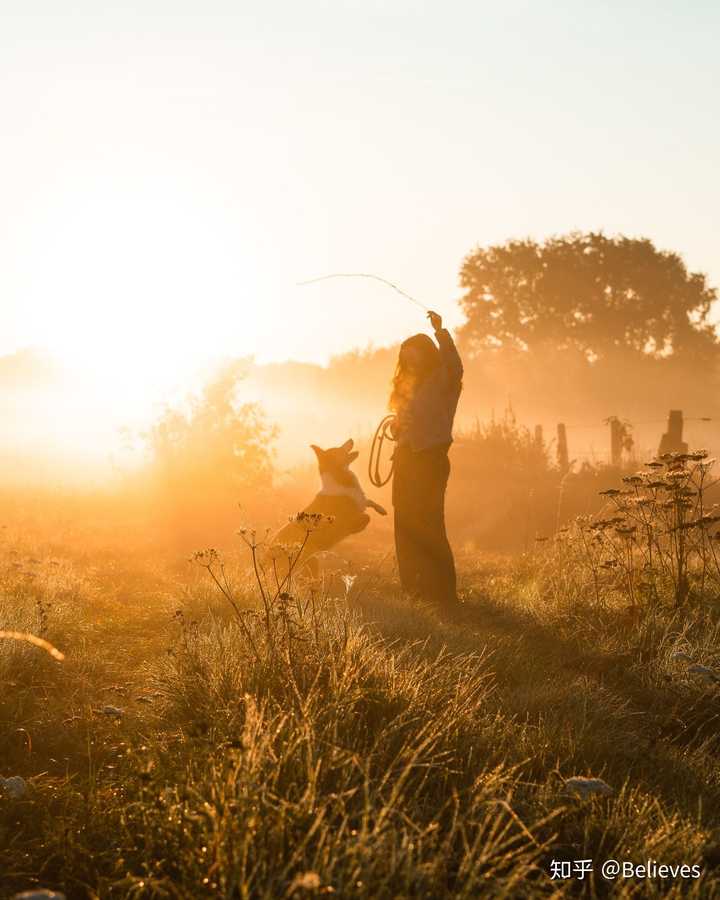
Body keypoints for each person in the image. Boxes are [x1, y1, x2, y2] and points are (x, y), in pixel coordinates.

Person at [389, 310, 463, 612]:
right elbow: (401, 426)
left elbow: (455, 366)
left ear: (427, 356)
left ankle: (442, 594)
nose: (411, 364)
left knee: (430, 525)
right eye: (407, 359)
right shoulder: (405, 386)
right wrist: (396, 427)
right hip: (405, 460)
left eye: (416, 357)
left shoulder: (443, 380)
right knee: (404, 525)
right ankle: (413, 590)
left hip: (431, 460)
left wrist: (441, 332)